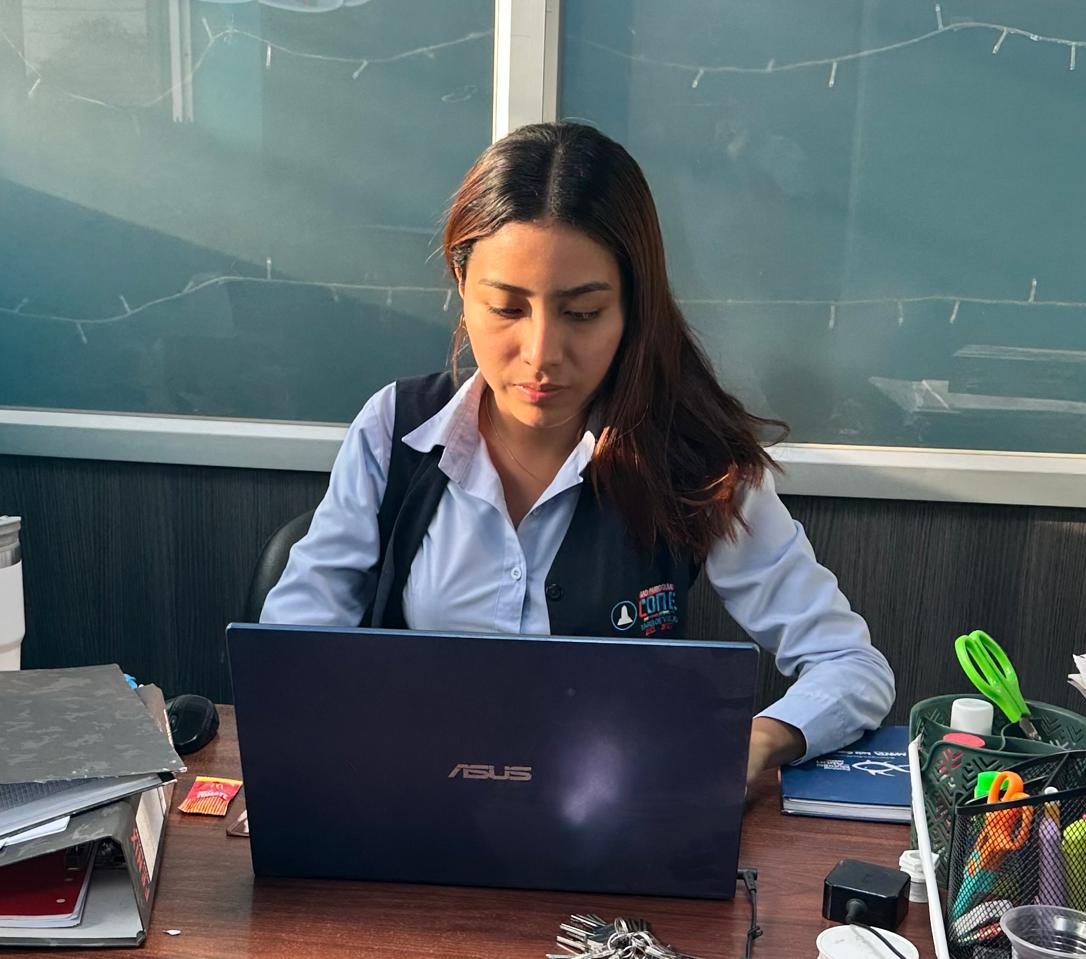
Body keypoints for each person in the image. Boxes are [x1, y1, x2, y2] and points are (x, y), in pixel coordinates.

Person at [260, 121, 893, 781]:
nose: (542, 355)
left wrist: (754, 743)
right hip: (414, 801)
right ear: (461, 285)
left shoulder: (693, 459)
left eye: (583, 313)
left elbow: (851, 665)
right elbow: (288, 656)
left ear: (633, 307)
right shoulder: (395, 429)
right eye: (507, 308)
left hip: (612, 811)